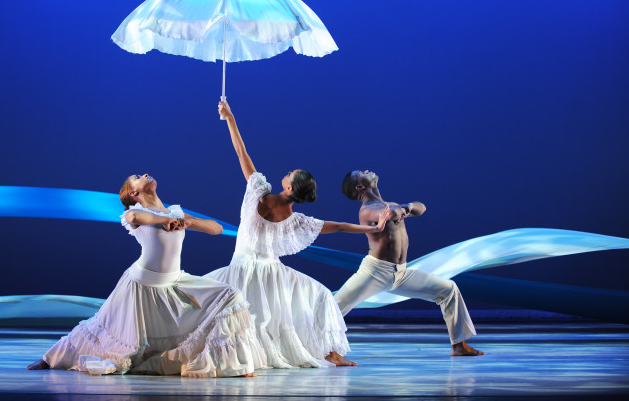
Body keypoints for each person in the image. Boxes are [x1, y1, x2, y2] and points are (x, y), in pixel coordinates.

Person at [27, 173, 266, 377]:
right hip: (141, 286)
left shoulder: (175, 211)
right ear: (133, 193)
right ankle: (51, 358)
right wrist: (166, 220)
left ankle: (237, 363)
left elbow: (217, 229)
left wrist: (186, 221)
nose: (145, 175)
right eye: (138, 178)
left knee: (230, 296)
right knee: (102, 332)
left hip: (174, 283)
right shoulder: (136, 213)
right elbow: (135, 218)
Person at [205, 101, 380, 368]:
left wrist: (230, 118)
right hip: (259, 271)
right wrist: (372, 228)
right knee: (318, 295)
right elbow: (341, 226)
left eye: (289, 174)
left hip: (249, 268)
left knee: (313, 296)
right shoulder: (291, 217)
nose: (286, 173)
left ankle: (329, 353)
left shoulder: (259, 193)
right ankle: (330, 353)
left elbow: (241, 152)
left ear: (289, 188)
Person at [336, 170, 484, 356]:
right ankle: (310, 348)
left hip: (402, 274)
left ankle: (459, 345)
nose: (367, 170)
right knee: (335, 306)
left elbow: (420, 208)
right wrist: (402, 210)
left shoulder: (390, 204)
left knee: (448, 290)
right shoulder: (366, 210)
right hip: (375, 272)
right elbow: (389, 213)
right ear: (360, 187)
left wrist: (404, 208)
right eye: (361, 173)